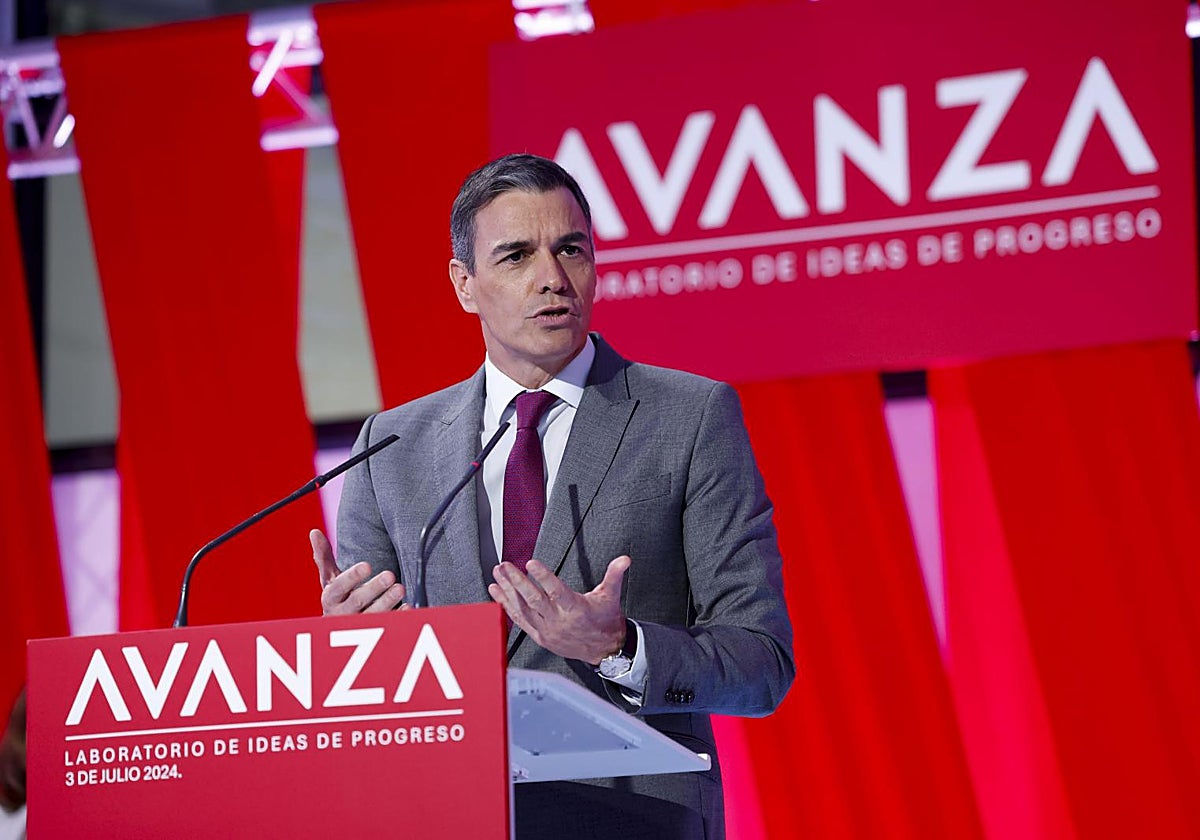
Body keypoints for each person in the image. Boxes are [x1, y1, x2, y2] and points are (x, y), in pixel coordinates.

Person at [311, 153, 793, 839]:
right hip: (448, 814)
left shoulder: (689, 417)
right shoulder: (391, 445)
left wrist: (620, 644)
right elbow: (376, 687)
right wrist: (350, 646)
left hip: (635, 818)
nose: (553, 279)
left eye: (571, 249)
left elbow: (761, 662)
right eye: (516, 256)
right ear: (465, 285)